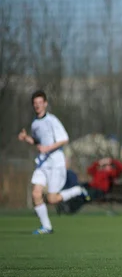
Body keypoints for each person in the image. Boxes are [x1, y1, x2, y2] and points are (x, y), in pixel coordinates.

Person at [18, 90, 87, 234]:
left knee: (52, 198)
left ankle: (77, 190)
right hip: (43, 164)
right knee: (36, 194)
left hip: (56, 163)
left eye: (40, 103)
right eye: (35, 103)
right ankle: (46, 227)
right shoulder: (35, 123)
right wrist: (27, 138)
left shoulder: (52, 120)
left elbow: (64, 139)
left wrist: (48, 148)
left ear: (45, 104)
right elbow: (38, 142)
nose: (37, 106)